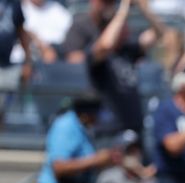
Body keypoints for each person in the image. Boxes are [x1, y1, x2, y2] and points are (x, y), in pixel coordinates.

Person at [62, 0, 167, 135]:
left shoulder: (128, 50)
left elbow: (159, 33)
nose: (125, 28)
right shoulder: (96, 53)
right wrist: (122, 11)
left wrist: (145, 8)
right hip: (109, 128)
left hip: (133, 125)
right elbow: (106, 45)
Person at [37, 92, 122, 183]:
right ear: (86, 113)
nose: (99, 118)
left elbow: (83, 159)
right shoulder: (66, 126)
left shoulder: (84, 127)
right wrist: (96, 160)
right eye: (96, 113)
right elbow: (59, 167)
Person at [10, 0, 72, 64]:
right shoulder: (18, 8)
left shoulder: (56, 7)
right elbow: (24, 31)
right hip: (27, 59)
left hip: (59, 54)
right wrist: (43, 48)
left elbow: (70, 28)